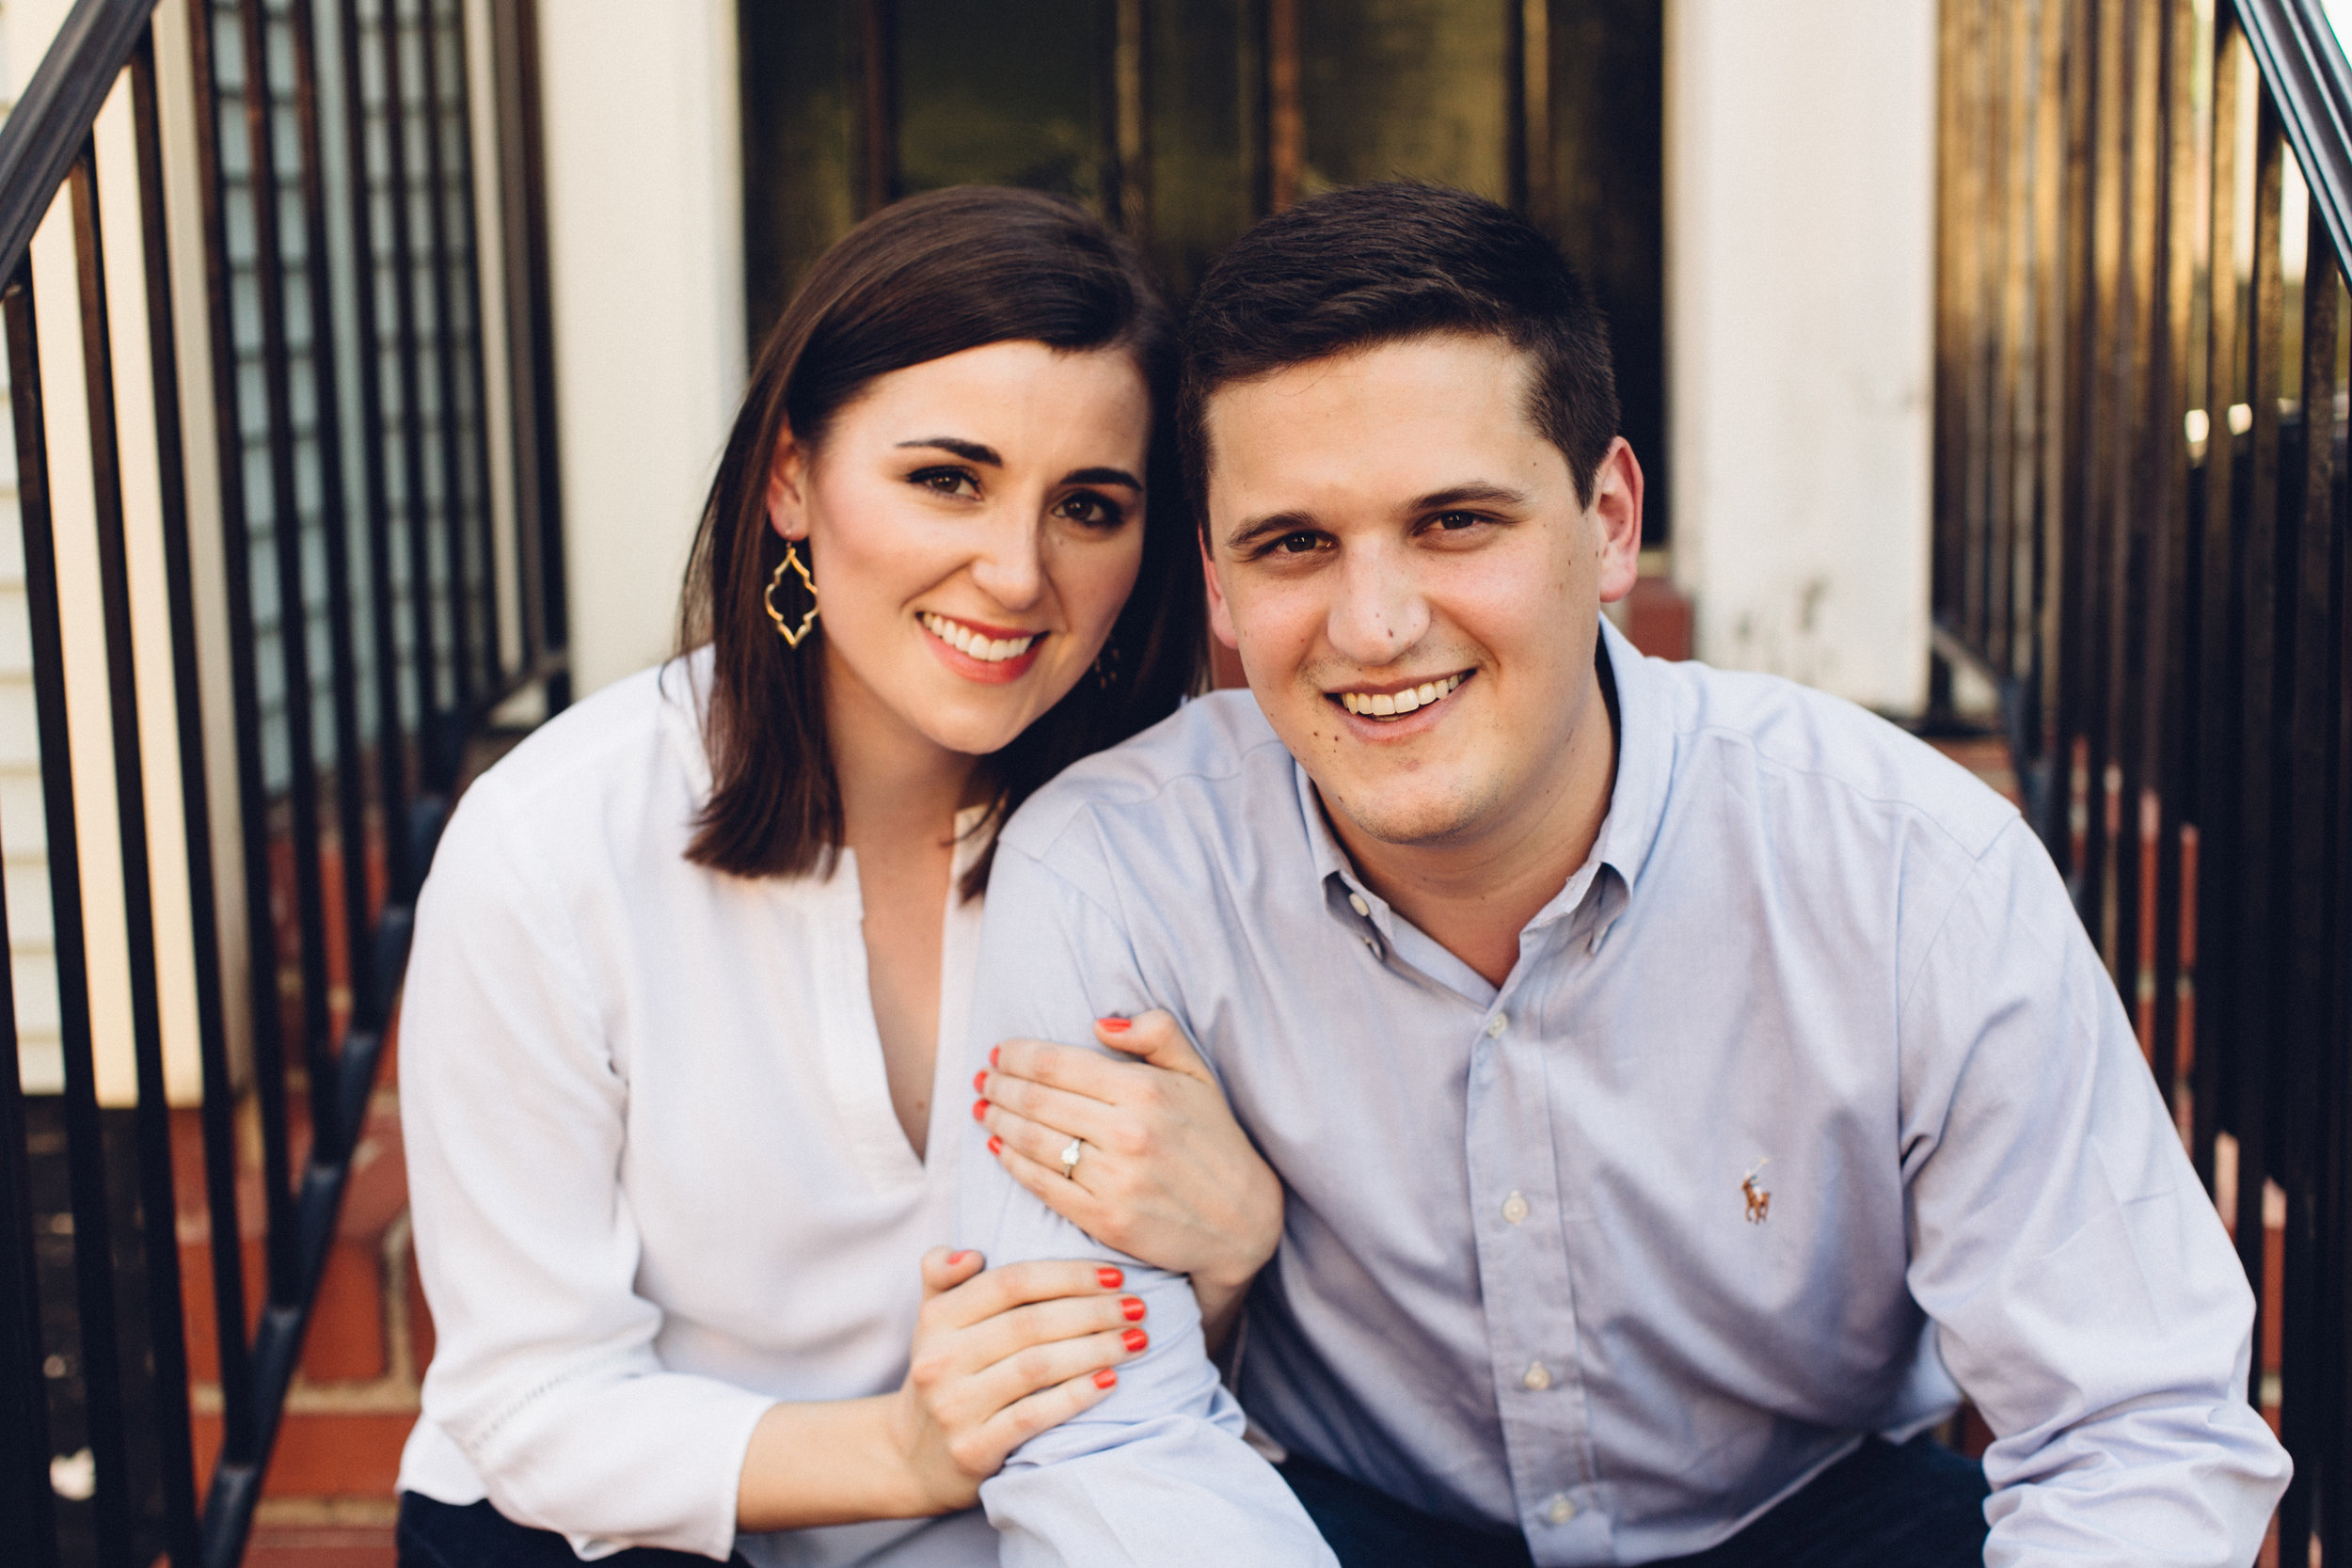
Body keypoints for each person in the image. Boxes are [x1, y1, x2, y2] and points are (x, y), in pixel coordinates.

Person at [961, 182, 2292, 1567]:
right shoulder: (1111, 870)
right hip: (1356, 1534)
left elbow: (2137, 1426)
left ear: (1607, 522)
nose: (1374, 624)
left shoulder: (1906, 865)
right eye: (1295, 544)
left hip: (1813, 1518)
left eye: (1455, 522)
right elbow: (1101, 1435)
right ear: (1220, 588)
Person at [391, 187, 1283, 1568]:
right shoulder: (552, 843)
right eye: (948, 479)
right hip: (616, 1534)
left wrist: (1229, 1256)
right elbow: (528, 1403)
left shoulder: (1184, 839)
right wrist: (901, 1451)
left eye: (1089, 506)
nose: (1014, 572)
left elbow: (1164, 1381)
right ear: (792, 479)